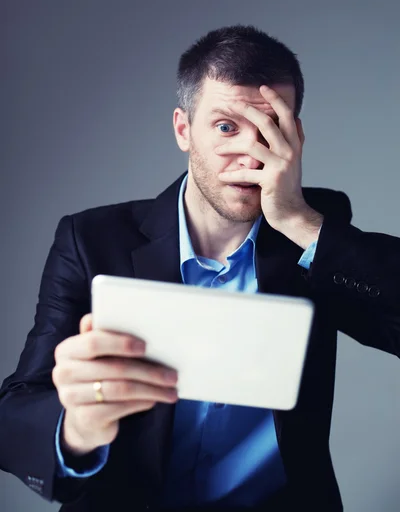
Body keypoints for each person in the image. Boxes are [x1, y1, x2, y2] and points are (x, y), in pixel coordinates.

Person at [0, 25, 399, 512]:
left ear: (295, 135)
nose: (251, 153)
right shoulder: (91, 239)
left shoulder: (317, 228)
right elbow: (15, 413)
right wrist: (80, 427)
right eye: (227, 127)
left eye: (271, 127)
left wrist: (300, 221)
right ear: (183, 130)